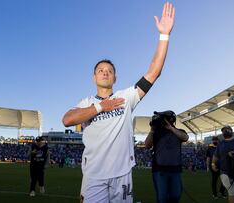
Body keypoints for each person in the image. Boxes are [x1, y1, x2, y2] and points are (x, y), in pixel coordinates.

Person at [62, 2, 175, 202]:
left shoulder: (126, 97)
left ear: (115, 78)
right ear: (93, 77)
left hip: (122, 174)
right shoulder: (86, 102)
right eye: (100, 70)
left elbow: (154, 72)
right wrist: (100, 107)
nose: (105, 72)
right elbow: (67, 120)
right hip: (93, 176)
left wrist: (164, 35)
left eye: (109, 71)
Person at [145, 110, 189, 203]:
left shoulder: (179, 131)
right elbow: (147, 145)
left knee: (176, 196)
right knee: (162, 198)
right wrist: (152, 131)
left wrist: (171, 128)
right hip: (159, 170)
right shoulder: (156, 132)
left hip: (175, 170)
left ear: (171, 120)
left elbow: (185, 138)